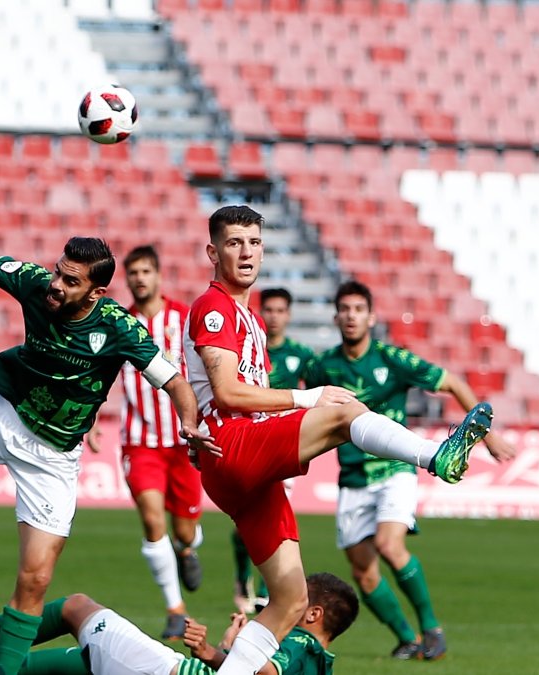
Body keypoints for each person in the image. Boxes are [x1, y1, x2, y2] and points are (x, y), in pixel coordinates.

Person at [0, 238, 213, 675]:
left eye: (70, 281)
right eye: (58, 271)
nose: (56, 284)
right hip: (0, 411)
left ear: (96, 293)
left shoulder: (119, 329)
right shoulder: (36, 285)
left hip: (51, 458)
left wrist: (189, 424)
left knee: (35, 580)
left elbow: (175, 384)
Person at [183, 205, 493, 674]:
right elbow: (227, 392)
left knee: (290, 600)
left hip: (239, 465)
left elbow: (230, 392)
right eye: (234, 243)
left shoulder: (250, 318)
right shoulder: (213, 306)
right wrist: (307, 398)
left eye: (254, 242)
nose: (246, 252)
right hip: (234, 445)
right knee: (342, 411)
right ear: (212, 251)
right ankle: (435, 456)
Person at [305, 280, 518, 660]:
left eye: (358, 309)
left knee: (389, 544)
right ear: (336, 316)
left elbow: (451, 382)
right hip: (352, 478)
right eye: (345, 309)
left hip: (394, 471)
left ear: (371, 317)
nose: (351, 316)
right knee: (363, 574)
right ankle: (407, 638)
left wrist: (487, 437)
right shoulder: (323, 366)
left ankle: (432, 629)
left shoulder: (391, 359)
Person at [86, 245, 205, 639]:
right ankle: (175, 608)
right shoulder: (118, 323)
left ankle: (187, 549)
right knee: (153, 521)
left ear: (157, 275)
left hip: (184, 438)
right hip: (141, 442)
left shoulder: (184, 320)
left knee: (184, 529)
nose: (138, 278)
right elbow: (99, 372)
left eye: (145, 271)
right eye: (133, 272)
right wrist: (91, 418)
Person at [0, 572, 359, 674]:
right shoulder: (324, 661)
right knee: (93, 661)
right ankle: (5, 659)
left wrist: (219, 651)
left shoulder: (302, 642)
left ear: (312, 614)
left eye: (298, 596)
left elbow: (265, 673)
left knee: (76, 607)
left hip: (170, 672)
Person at [226, 288, 318, 615]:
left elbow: (319, 390)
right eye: (270, 310)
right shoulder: (244, 347)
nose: (275, 316)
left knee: (277, 515)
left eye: (281, 310)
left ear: (289, 315)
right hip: (248, 442)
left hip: (282, 446)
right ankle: (242, 579)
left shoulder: (301, 355)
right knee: (243, 527)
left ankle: (267, 593)